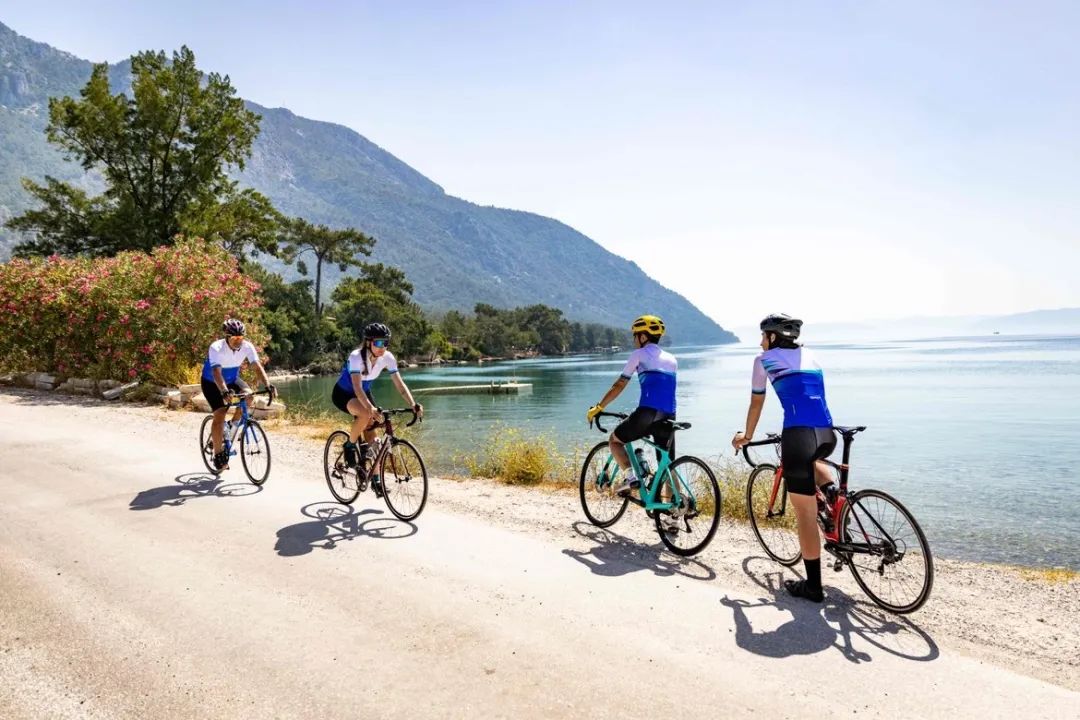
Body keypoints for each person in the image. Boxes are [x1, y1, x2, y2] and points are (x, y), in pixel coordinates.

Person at [732, 313, 836, 603]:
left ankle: (813, 587)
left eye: (763, 336)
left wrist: (747, 435)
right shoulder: (810, 355)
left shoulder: (763, 360)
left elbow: (756, 402)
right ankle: (834, 499)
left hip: (799, 436)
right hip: (826, 433)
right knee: (815, 462)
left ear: (772, 337)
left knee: (805, 515)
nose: (760, 342)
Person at [586, 314, 680, 533]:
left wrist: (599, 406)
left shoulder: (638, 355)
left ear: (643, 336)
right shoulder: (672, 359)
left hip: (647, 413)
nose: (633, 339)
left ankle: (631, 477)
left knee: (615, 440)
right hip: (669, 415)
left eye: (635, 335)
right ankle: (674, 517)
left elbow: (620, 384)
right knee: (668, 464)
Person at [331, 322, 423, 495]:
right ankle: (349, 445)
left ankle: (375, 480)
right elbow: (357, 388)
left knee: (373, 438)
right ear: (368, 342)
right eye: (379, 343)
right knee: (366, 414)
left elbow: (400, 385)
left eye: (386, 343)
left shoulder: (387, 358)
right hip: (344, 393)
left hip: (364, 393)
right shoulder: (356, 357)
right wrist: (370, 408)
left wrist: (413, 404)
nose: (383, 347)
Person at [201, 318, 275, 471]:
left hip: (232, 379)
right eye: (235, 338)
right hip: (212, 382)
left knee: (249, 396)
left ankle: (231, 425)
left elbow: (257, 367)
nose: (238, 341)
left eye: (241, 338)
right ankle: (218, 454)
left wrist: (268, 385)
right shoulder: (216, 347)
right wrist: (224, 391)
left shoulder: (247, 346)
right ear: (227, 337)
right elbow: (216, 373)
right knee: (220, 414)